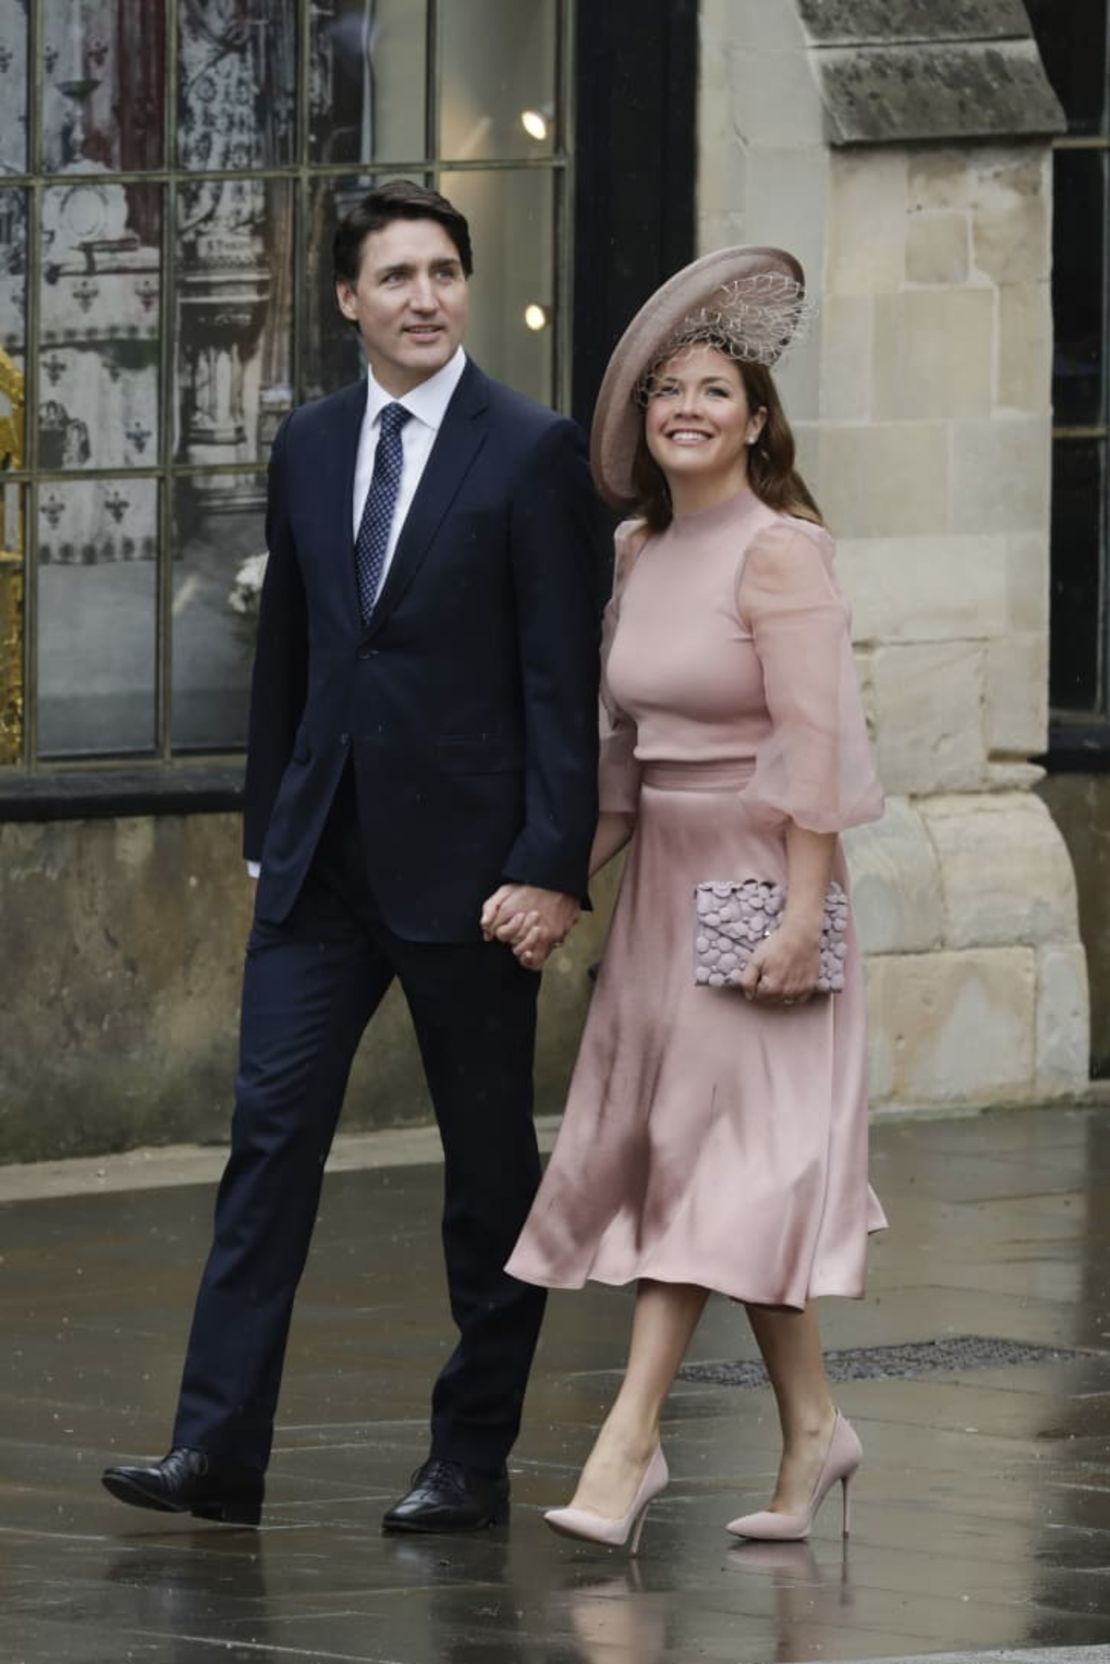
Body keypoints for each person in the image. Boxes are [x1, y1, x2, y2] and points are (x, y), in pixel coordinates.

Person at [101, 180, 607, 1534]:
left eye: (444, 271)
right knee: (266, 1147)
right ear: (347, 300)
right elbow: (295, 658)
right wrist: (267, 834)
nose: (425, 297)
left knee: (486, 1169)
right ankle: (216, 1452)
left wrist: (552, 864)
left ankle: (470, 1459)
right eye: (395, 277)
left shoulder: (532, 449)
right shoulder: (311, 444)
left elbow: (564, 679)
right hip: (319, 872)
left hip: (476, 879)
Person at [497, 245, 887, 1550]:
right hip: (662, 889)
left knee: (707, 1176)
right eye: (666, 388)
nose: (686, 406)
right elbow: (617, 757)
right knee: (709, 1166)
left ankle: (628, 1447)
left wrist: (797, 915)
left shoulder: (783, 554)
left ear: (756, 420)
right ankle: (815, 1429)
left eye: (713, 388)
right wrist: (559, 885)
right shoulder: (633, 548)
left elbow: (817, 750)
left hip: (761, 887)